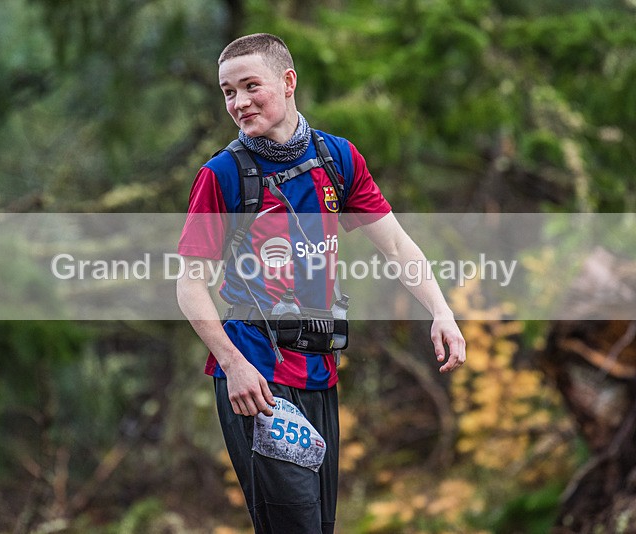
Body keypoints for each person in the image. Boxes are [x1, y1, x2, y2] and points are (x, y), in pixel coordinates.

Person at [176, 33, 466, 534]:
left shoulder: (337, 158)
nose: (239, 103)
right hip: (258, 380)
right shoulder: (223, 175)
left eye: (251, 86)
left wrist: (441, 310)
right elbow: (189, 284)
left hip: (320, 371)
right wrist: (234, 365)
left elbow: (396, 246)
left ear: (287, 83)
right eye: (228, 92)